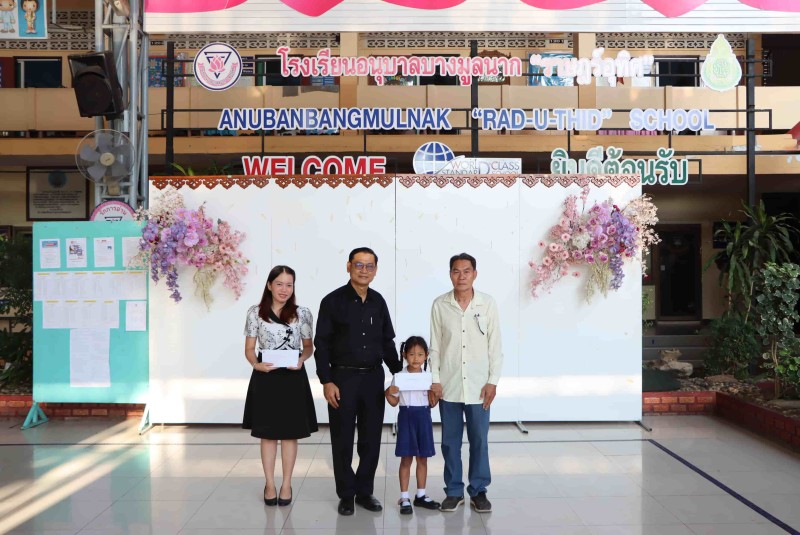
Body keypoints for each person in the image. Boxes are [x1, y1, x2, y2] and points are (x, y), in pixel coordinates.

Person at [314, 246, 402, 516]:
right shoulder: (332, 301)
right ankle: (346, 494)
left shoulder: (378, 301)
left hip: (373, 378)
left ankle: (364, 491)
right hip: (342, 379)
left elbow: (387, 342)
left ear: (376, 270)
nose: (364, 270)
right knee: (342, 439)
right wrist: (327, 381)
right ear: (348, 266)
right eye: (359, 265)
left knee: (371, 439)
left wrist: (401, 374)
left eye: (369, 266)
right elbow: (322, 345)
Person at [429, 253, 502, 514]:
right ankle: (453, 491)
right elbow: (435, 346)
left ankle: (479, 490)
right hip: (448, 385)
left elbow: (495, 346)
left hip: (479, 386)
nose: (461, 276)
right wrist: (435, 381)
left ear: (475, 274)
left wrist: (492, 381)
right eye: (456, 271)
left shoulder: (487, 303)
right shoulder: (440, 305)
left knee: (479, 440)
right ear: (450, 274)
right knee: (450, 442)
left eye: (466, 271)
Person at [243, 265, 318, 507]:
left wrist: (301, 359)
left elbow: (308, 347)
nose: (284, 289)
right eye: (279, 284)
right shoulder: (255, 313)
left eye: (289, 285)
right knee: (267, 434)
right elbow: (249, 349)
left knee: (289, 434)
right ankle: (269, 484)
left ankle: (286, 484)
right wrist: (256, 364)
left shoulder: (302, 313)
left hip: (292, 378)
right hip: (266, 377)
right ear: (269, 285)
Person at [385, 336, 441, 515]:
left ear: (426, 356)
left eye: (420, 354)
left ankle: (421, 495)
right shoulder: (399, 377)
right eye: (411, 354)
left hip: (423, 418)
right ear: (404, 355)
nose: (416, 358)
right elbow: (394, 402)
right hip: (406, 418)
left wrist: (436, 394)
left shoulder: (429, 378)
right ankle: (404, 497)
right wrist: (387, 393)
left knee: (422, 458)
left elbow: (432, 403)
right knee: (406, 459)